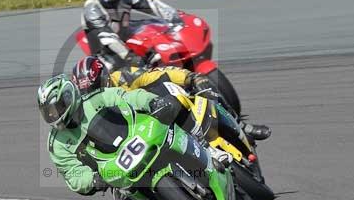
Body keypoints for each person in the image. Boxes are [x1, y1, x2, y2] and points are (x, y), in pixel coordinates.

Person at [38, 73, 189, 200]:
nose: (54, 115)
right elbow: (71, 173)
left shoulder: (98, 98)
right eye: (49, 112)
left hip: (141, 137)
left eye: (56, 108)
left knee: (175, 111)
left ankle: (206, 148)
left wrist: (152, 102)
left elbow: (130, 97)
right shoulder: (57, 144)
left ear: (69, 97)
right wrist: (93, 180)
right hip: (118, 175)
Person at [71, 56, 271, 141]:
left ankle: (240, 126)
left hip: (163, 115)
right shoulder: (90, 114)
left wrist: (190, 77)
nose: (96, 94)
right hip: (140, 143)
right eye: (88, 92)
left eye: (97, 87)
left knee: (201, 93)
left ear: (105, 78)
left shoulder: (122, 77)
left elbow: (156, 74)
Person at [82, 0, 181, 67]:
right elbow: (107, 37)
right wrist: (129, 56)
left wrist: (173, 16)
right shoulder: (92, 8)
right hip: (105, 50)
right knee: (121, 72)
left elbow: (147, 4)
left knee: (156, 31)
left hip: (125, 36)